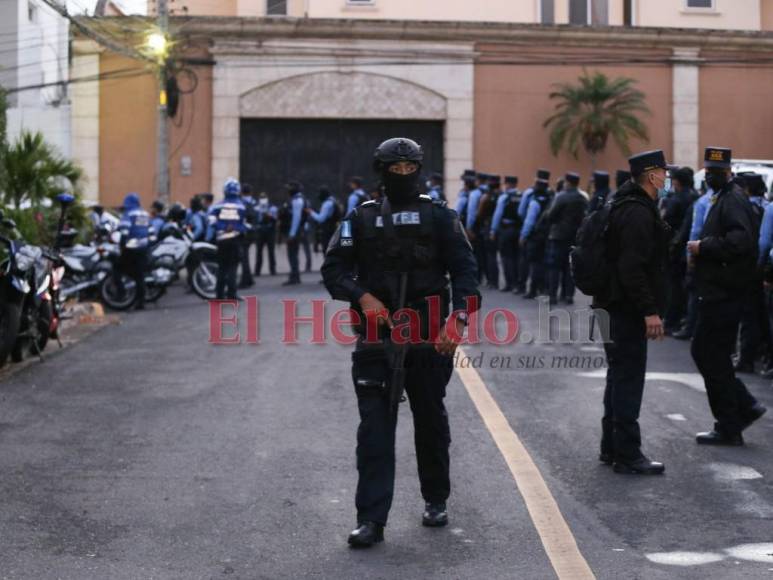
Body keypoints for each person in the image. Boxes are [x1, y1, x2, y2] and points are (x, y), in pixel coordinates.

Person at [322, 137, 480, 548]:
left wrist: (458, 319)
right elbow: (334, 269)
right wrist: (362, 296)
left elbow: (466, 272)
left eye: (411, 169)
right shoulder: (360, 217)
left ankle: (435, 499)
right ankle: (371, 520)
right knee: (374, 431)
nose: (405, 175)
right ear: (382, 171)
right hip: (377, 336)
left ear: (421, 169)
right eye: (397, 169)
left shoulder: (441, 217)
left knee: (430, 420)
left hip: (428, 336)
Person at [593, 150, 673, 475]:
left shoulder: (621, 204)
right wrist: (649, 311)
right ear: (652, 176)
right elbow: (632, 268)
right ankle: (627, 454)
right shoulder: (638, 212)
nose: (666, 178)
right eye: (663, 173)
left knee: (618, 375)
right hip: (624, 309)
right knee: (628, 378)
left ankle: (611, 448)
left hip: (610, 304)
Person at [687, 147, 766, 446]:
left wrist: (703, 247)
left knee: (709, 354)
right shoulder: (724, 198)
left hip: (724, 293)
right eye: (708, 171)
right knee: (711, 354)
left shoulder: (732, 200)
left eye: (716, 172)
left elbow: (740, 241)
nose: (710, 176)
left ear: (729, 172)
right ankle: (741, 409)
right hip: (718, 291)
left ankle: (731, 421)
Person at [735, 173, 769, 373]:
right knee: (763, 315)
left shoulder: (748, 208)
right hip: (765, 269)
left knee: (749, 315)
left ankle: (746, 358)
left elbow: (762, 244)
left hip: (754, 266)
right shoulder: (765, 205)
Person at [661, 167, 698, 334]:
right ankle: (683, 317)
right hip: (691, 247)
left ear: (677, 181)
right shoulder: (696, 197)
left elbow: (666, 223)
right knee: (685, 286)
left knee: (673, 286)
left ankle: (671, 321)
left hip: (676, 247)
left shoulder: (676, 200)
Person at [545, 172, 587, 305]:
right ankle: (568, 295)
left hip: (558, 236)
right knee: (569, 268)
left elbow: (551, 216)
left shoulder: (561, 197)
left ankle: (552, 296)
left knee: (554, 267)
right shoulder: (582, 198)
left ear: (567, 182)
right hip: (574, 236)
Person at [208, 178, 247, 300]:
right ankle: (231, 294)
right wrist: (235, 228)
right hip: (235, 240)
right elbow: (245, 224)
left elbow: (211, 221)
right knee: (232, 268)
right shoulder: (242, 207)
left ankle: (219, 295)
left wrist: (223, 227)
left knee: (222, 268)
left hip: (221, 240)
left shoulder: (217, 206)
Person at [520, 174, 553, 299]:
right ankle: (544, 288)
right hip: (547, 234)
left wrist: (523, 235)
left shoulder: (534, 201)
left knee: (535, 263)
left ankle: (533, 290)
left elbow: (529, 220)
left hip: (536, 236)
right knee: (544, 263)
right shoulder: (551, 198)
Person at [117, 192, 151, 310]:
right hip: (143, 247)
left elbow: (124, 231)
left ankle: (121, 293)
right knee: (140, 276)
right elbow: (150, 231)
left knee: (117, 269)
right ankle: (141, 302)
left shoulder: (129, 213)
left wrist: (121, 245)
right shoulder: (145, 213)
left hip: (131, 247)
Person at [490, 175, 521, 292]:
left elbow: (497, 215)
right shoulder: (521, 196)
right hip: (518, 229)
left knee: (506, 257)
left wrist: (493, 230)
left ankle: (509, 283)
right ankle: (517, 283)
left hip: (506, 230)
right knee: (517, 257)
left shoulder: (504, 197)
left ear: (508, 184)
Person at [281, 181, 307, 286]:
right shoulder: (298, 199)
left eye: (289, 188)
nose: (288, 190)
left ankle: (294, 276)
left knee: (292, 254)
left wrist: (292, 234)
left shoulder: (297, 200)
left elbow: (296, 218)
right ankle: (294, 275)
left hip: (294, 232)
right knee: (293, 254)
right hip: (296, 231)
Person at [308, 185, 341, 253]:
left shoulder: (327, 204)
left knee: (326, 251)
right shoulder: (333, 200)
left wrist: (311, 212)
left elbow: (321, 219)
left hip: (327, 230)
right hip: (334, 228)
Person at [254, 193, 278, 276]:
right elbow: (255, 220)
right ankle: (257, 270)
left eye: (264, 198)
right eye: (261, 198)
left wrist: (270, 216)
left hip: (270, 231)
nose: (263, 199)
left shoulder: (272, 208)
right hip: (260, 231)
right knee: (259, 252)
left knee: (271, 251)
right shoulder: (256, 208)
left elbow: (275, 219)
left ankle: (273, 269)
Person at [239, 183, 257, 289]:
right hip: (253, 231)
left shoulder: (241, 203)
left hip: (245, 232)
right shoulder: (255, 202)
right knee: (245, 255)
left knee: (243, 257)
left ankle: (245, 280)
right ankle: (249, 278)